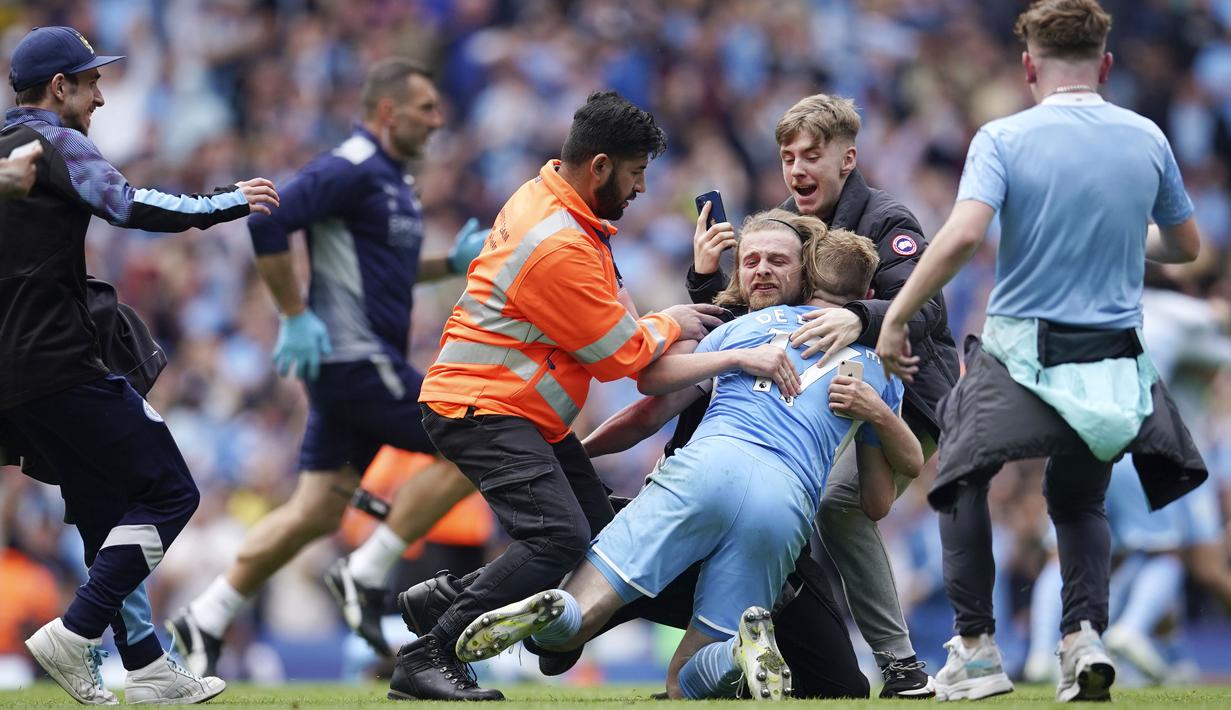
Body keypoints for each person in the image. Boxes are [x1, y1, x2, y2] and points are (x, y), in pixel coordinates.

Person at [876, 0, 1206, 702]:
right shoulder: (1146, 137)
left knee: (958, 479)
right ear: (1105, 64)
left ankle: (975, 649)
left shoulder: (1002, 136)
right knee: (1078, 502)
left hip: (1024, 352)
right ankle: (1080, 637)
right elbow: (1185, 247)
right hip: (1112, 365)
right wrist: (1119, 237)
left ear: (1027, 65)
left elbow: (964, 235)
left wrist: (898, 313)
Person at [451, 214, 923, 700]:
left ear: (808, 275)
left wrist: (576, 455)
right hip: (785, 505)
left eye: (776, 261)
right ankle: (738, 652)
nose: (760, 270)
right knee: (684, 681)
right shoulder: (879, 369)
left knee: (575, 619)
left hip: (704, 469)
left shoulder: (746, 327)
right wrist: (880, 418)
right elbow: (879, 500)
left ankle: (553, 613)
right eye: (752, 260)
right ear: (867, 296)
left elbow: (649, 394)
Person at [388, 90, 725, 701]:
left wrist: (656, 322)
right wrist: (673, 319)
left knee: (600, 544)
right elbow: (620, 357)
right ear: (599, 165)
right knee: (558, 539)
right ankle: (429, 654)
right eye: (635, 173)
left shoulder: (555, 205)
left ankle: (447, 597)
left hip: (513, 408)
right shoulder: (558, 242)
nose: (641, 189)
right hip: (485, 405)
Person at [167, 57, 485, 673]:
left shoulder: (394, 181)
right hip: (355, 358)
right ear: (388, 113)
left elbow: (387, 265)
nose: (438, 119)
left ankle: (205, 615)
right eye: (426, 109)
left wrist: (449, 263)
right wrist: (292, 312)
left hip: (355, 366)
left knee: (315, 511)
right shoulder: (353, 166)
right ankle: (364, 572)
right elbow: (271, 216)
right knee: (478, 437)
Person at [0, 25, 278, 705]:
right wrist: (221, 203)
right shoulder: (56, 140)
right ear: (59, 87)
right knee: (170, 492)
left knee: (106, 510)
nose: (99, 96)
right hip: (59, 362)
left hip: (14, 375)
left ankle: (148, 664)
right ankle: (77, 631)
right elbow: (126, 202)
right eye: (90, 81)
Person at [681, 93, 958, 698]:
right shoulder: (784, 223)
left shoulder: (889, 221)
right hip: (821, 399)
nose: (798, 169)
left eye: (813, 155)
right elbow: (742, 316)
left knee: (840, 505)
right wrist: (703, 277)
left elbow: (930, 307)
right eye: (788, 157)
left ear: (847, 160)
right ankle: (780, 652)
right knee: (771, 502)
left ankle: (901, 662)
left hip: (907, 395)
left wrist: (859, 316)